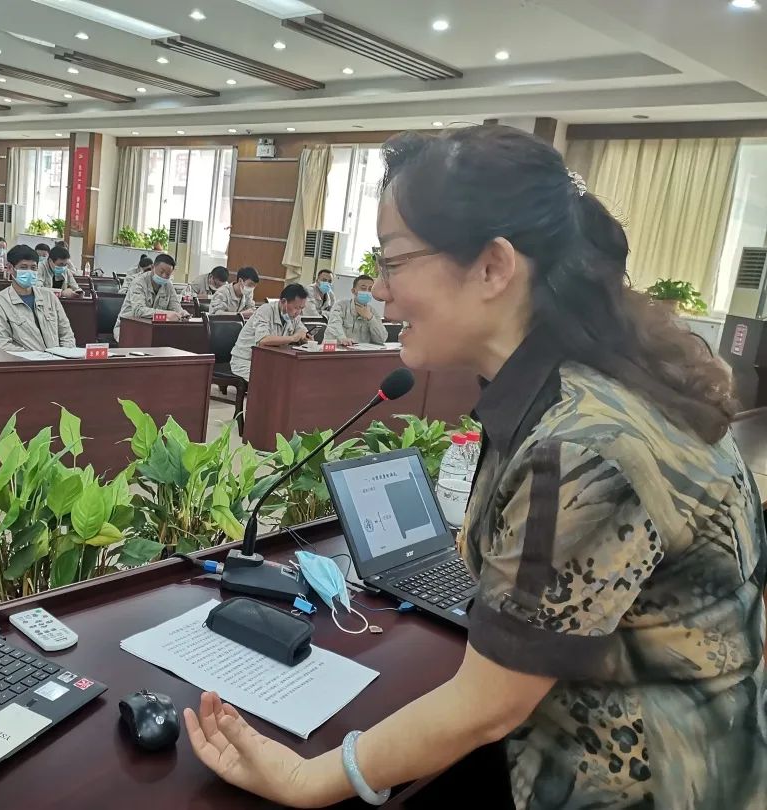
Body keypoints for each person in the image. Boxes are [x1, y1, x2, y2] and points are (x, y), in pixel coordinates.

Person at [186, 125, 767, 810]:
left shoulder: (583, 445)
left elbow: (489, 705)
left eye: (393, 260)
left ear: (493, 267)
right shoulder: (587, 385)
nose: (380, 292)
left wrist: (306, 779)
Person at [0, 245, 75, 352]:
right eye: (23, 267)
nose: (29, 272)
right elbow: (0, 344)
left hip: (56, 359)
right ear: (10, 268)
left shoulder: (49, 297)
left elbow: (66, 334)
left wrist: (65, 354)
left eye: (33, 268)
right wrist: (36, 357)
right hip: (23, 361)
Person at [229, 283, 309, 381]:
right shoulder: (265, 310)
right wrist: (293, 338)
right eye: (296, 308)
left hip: (270, 362)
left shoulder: (293, 316)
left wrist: (305, 338)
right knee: (271, 380)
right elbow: (263, 340)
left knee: (293, 376)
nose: (298, 312)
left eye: (301, 308)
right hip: (246, 361)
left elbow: (302, 331)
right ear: (284, 301)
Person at [114, 253, 184, 340]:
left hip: (153, 330)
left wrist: (183, 314)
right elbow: (138, 310)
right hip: (129, 328)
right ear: (153, 267)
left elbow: (176, 307)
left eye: (168, 274)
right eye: (161, 272)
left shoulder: (168, 285)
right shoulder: (138, 282)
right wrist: (166, 314)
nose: (164, 276)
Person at [324, 275, 386, 346]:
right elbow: (334, 325)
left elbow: (382, 339)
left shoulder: (372, 312)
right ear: (353, 291)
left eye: (370, 289)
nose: (367, 291)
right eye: (363, 288)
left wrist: (370, 318)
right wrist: (343, 338)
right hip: (338, 349)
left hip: (360, 351)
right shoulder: (341, 305)